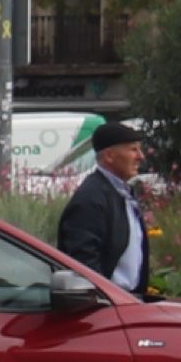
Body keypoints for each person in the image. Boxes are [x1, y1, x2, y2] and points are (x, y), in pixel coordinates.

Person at [56, 119, 152, 290]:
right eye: (133, 149)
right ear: (109, 156)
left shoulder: (121, 192)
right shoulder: (91, 198)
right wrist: (104, 296)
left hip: (126, 301)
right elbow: (83, 262)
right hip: (108, 305)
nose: (141, 156)